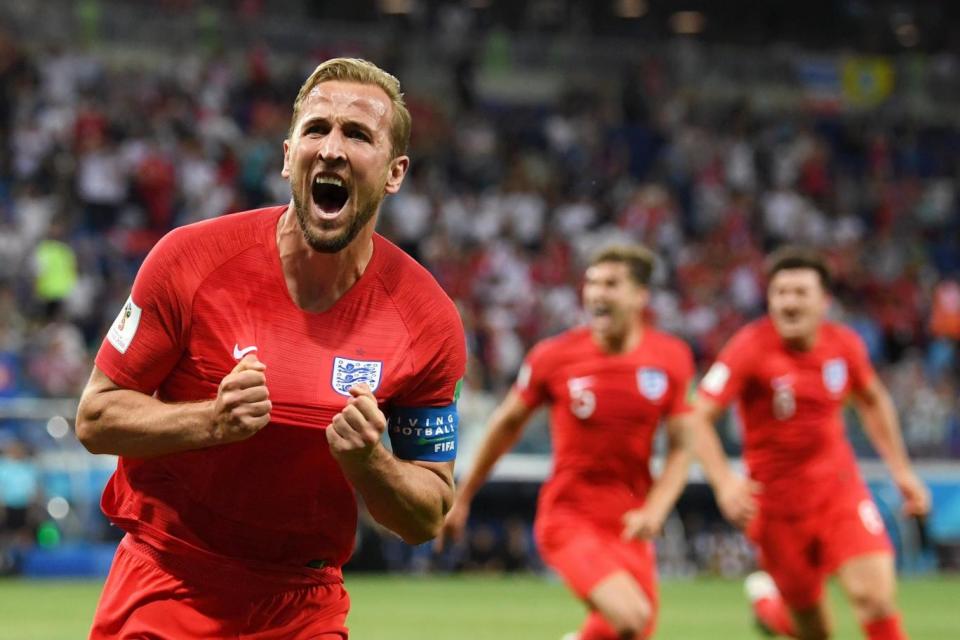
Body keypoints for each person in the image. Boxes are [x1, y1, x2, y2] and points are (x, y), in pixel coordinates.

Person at [76, 58, 466, 639]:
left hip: (301, 605)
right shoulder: (189, 260)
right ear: (288, 157)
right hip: (167, 581)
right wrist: (210, 420)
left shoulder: (427, 320)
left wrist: (372, 463)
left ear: (394, 172)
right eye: (317, 129)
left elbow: (428, 514)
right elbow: (96, 417)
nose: (332, 149)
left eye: (357, 135)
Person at [440, 244, 695, 640]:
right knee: (630, 618)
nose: (597, 294)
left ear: (640, 296)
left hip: (630, 521)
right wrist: (464, 494)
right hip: (569, 517)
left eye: (611, 284)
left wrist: (657, 510)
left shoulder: (671, 358)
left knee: (629, 629)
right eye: (591, 283)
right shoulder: (555, 356)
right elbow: (506, 424)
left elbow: (682, 446)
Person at [690, 246, 930, 640]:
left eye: (800, 292)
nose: (789, 302)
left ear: (824, 300)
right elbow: (698, 416)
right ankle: (771, 609)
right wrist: (724, 481)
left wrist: (902, 473)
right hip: (776, 509)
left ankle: (773, 606)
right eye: (780, 292)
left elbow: (873, 400)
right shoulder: (749, 347)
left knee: (876, 599)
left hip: (839, 493)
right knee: (814, 631)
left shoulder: (844, 344)